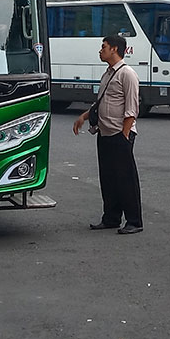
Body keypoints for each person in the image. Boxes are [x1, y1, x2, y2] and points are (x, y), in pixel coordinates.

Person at [72, 34, 143, 234]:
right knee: (108, 178)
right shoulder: (108, 73)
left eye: (103, 46)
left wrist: (124, 135)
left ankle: (134, 221)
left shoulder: (127, 74)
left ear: (114, 49)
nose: (100, 50)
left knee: (125, 179)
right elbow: (102, 102)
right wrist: (84, 117)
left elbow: (131, 109)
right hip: (104, 133)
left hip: (120, 134)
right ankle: (111, 218)